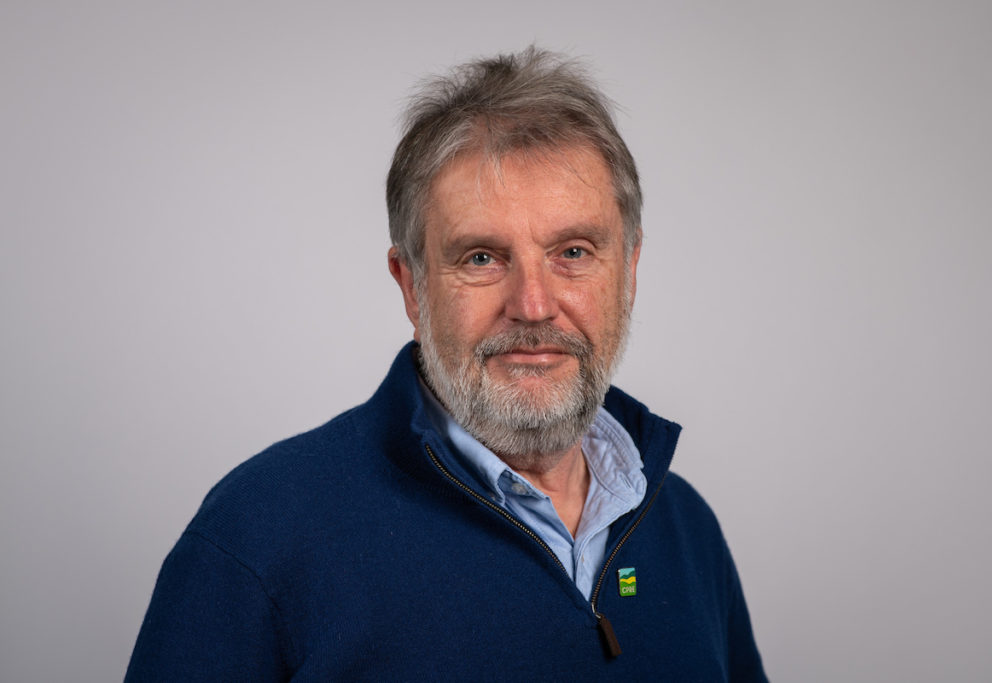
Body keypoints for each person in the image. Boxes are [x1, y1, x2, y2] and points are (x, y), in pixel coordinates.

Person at [126, 47, 768, 681]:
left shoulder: (684, 530)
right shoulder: (260, 535)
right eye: (482, 258)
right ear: (411, 285)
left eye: (573, 251)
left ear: (627, 272)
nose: (534, 305)